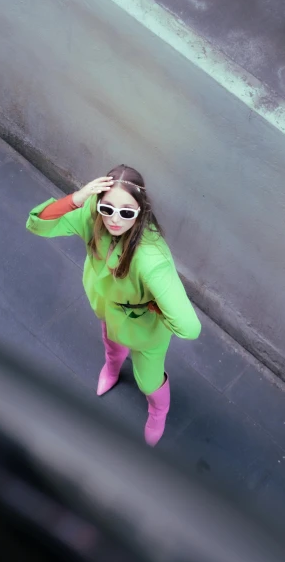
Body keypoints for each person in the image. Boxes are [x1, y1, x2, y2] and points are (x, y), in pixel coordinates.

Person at [26, 164, 201, 446]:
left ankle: (159, 411)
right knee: (110, 341)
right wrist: (77, 199)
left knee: (148, 380)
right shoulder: (93, 216)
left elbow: (189, 327)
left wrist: (157, 310)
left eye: (126, 212)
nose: (115, 219)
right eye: (108, 208)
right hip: (107, 305)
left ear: (141, 210)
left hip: (144, 327)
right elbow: (39, 223)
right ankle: (111, 368)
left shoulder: (150, 258)